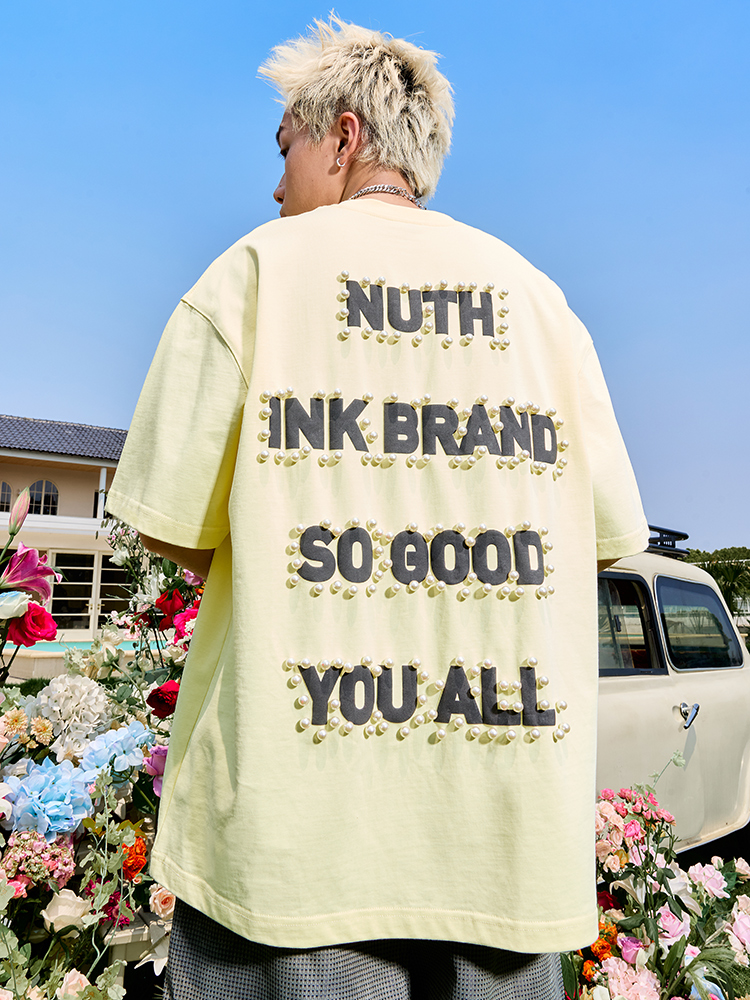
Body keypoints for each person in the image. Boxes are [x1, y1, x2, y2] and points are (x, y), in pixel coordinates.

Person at [106, 16, 649, 1000]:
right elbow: (604, 540)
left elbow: (165, 520)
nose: (277, 186)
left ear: (344, 137)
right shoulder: (541, 305)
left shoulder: (254, 273)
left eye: (286, 148)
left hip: (295, 852)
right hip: (503, 850)